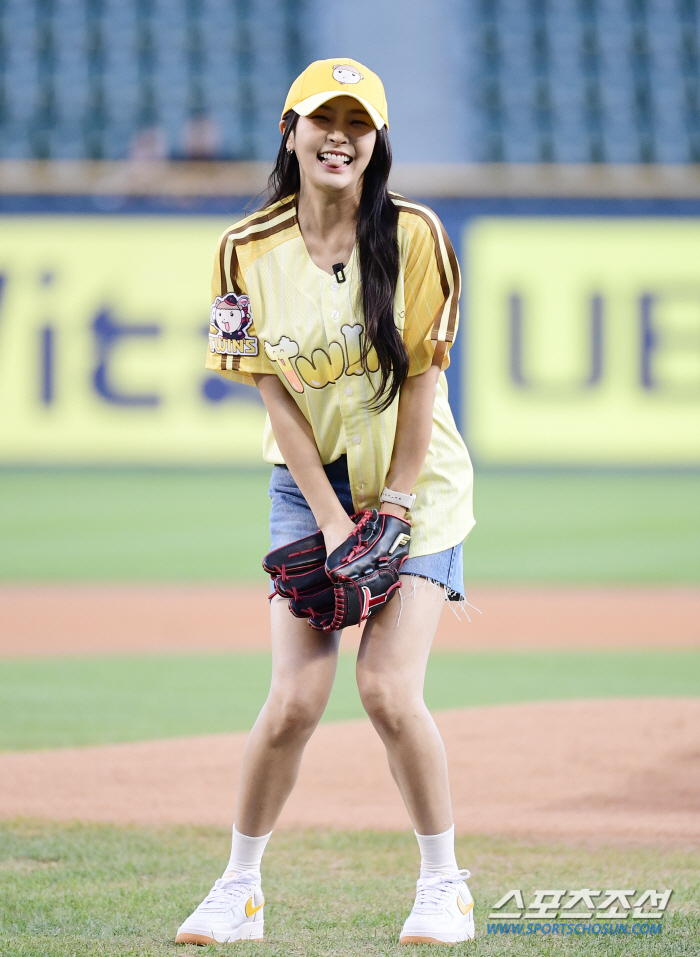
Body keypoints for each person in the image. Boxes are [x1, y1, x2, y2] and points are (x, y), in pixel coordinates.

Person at [176, 57, 476, 947]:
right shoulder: (245, 247)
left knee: (386, 690)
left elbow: (422, 382)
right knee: (294, 702)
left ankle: (443, 884)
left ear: (378, 142)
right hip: (310, 490)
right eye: (322, 118)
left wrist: (388, 504)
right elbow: (271, 390)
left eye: (358, 120)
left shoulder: (415, 235)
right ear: (290, 131)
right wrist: (336, 515)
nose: (339, 134)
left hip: (417, 483)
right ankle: (239, 887)